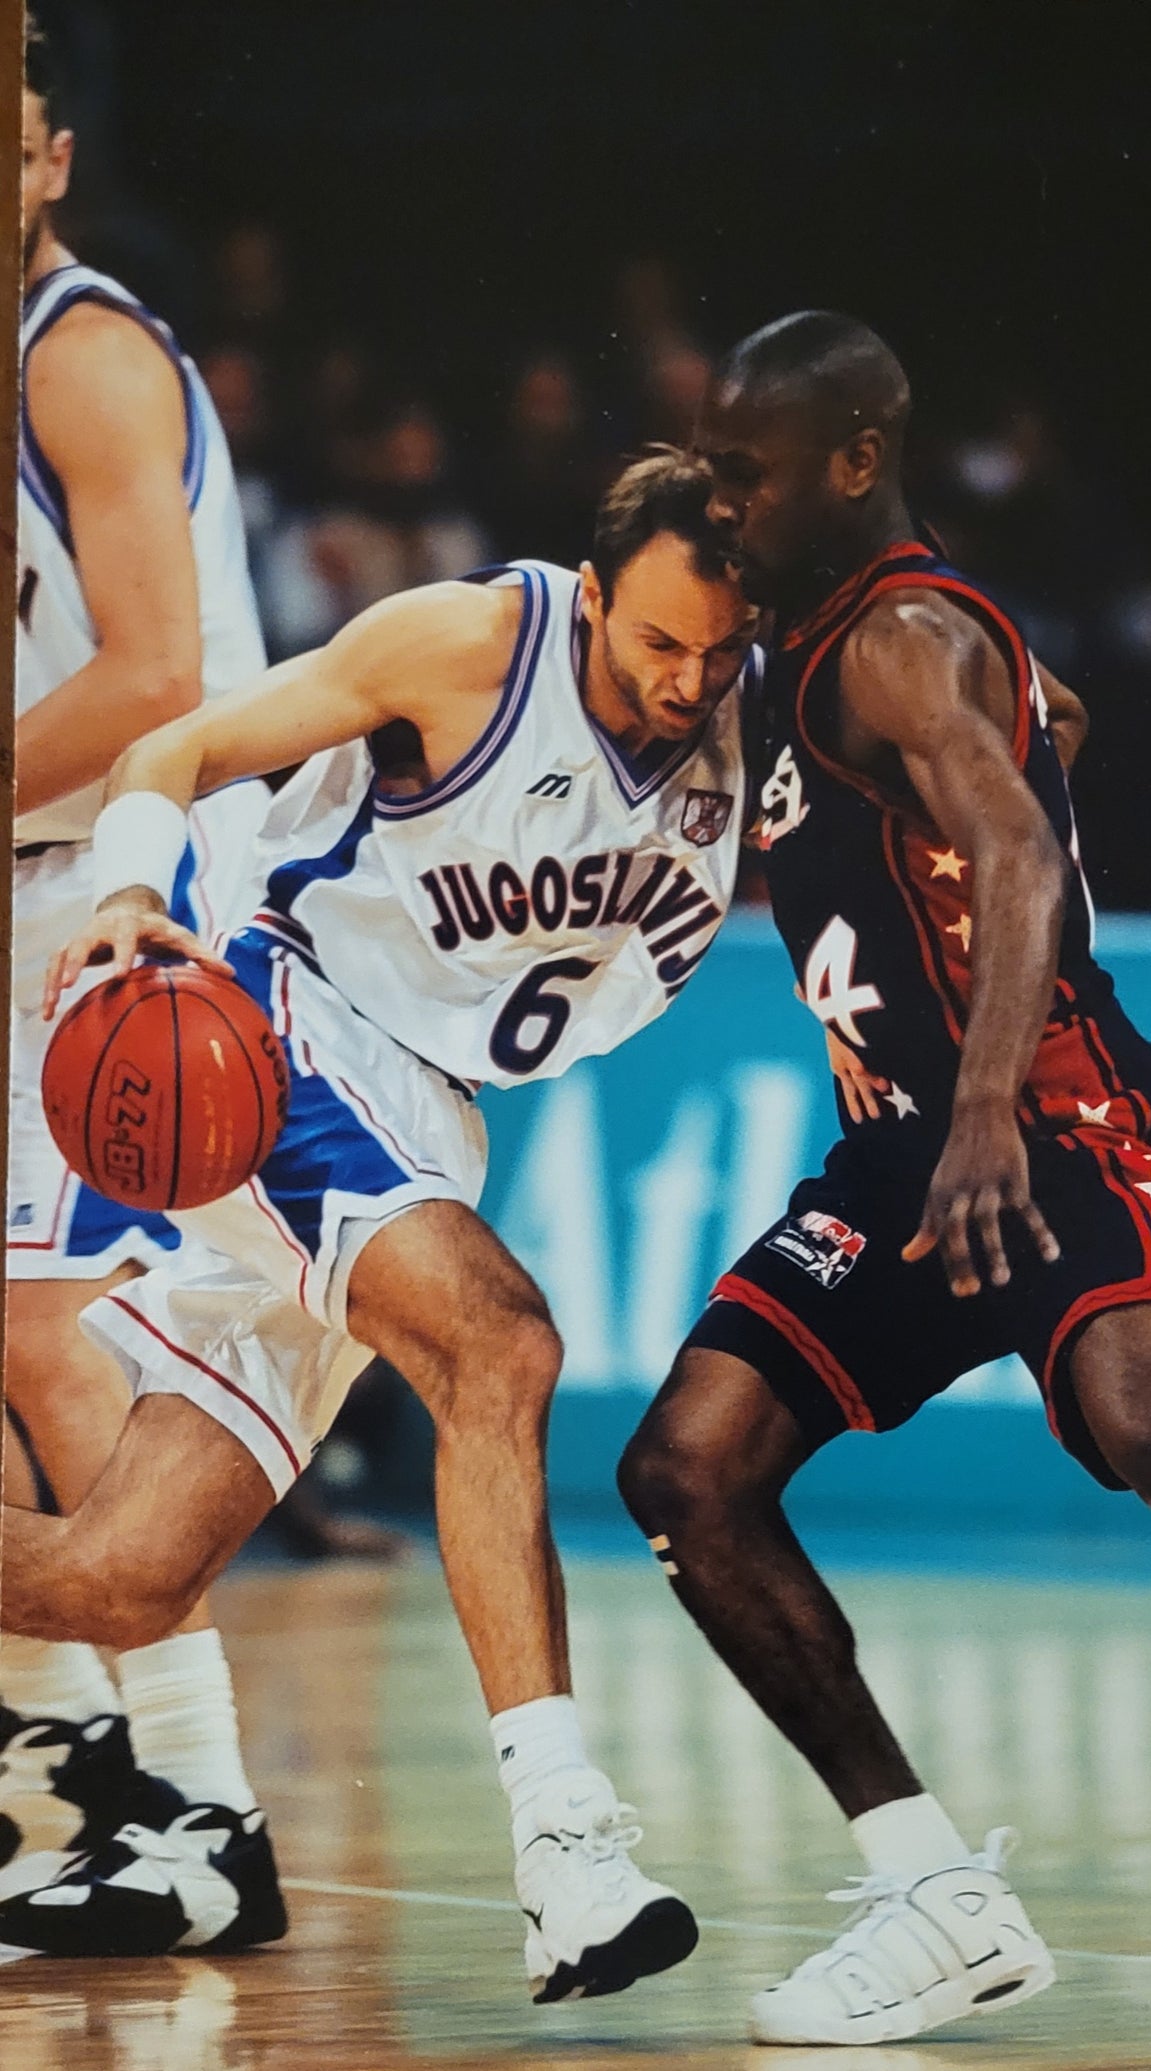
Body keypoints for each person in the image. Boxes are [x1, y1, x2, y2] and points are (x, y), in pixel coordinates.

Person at [617, 313, 1151, 2046]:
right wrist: (1033, 715)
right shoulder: (830, 631)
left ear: (854, 459)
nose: (725, 498)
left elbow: (1006, 845)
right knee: (686, 1470)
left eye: (749, 472)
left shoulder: (897, 631)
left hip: (1046, 1115)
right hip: (901, 1144)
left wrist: (987, 1108)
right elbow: (1034, 725)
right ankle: (935, 1900)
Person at [15, 449, 758, 2002]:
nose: (686, 682)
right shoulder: (469, 644)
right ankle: (565, 1845)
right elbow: (186, 738)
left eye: (716, 653)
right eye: (657, 646)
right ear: (598, 593)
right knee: (500, 1345)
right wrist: (129, 890)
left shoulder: (766, 712)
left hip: (431, 1116)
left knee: (119, 1579)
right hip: (273, 1016)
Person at [3, 18, 283, 1952]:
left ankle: (204, 1813)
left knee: (54, 1341)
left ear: (52, 159)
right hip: (39, 872)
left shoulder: (82, 358)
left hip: (136, 897)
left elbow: (155, 675)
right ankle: (67, 1781)